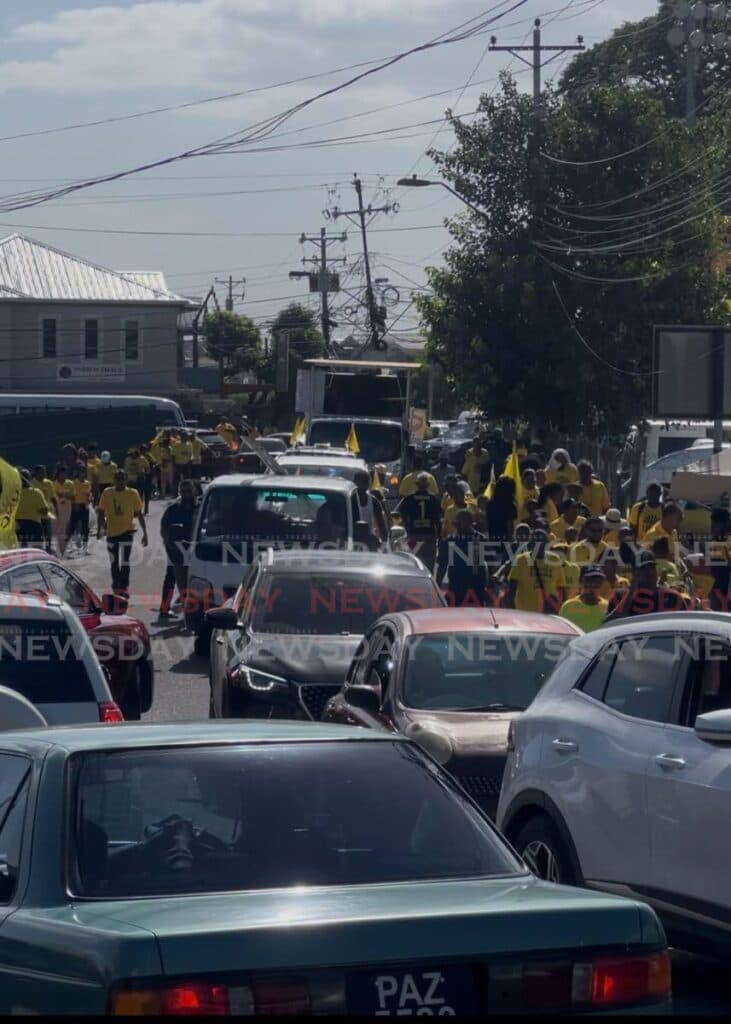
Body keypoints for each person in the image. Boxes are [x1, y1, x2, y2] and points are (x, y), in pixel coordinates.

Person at [97, 469, 148, 596]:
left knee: (125, 561)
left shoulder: (133, 493)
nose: (120, 481)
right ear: (114, 480)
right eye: (117, 479)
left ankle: (123, 586)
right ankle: (116, 583)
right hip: (111, 533)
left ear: (126, 480)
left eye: (122, 479)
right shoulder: (107, 493)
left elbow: (139, 514)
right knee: (114, 561)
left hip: (127, 532)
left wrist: (145, 533)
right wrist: (101, 528)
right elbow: (101, 511)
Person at [605, 551, 687, 620]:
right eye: (644, 568)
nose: (650, 572)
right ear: (634, 573)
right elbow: (612, 623)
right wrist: (631, 594)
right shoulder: (619, 596)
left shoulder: (672, 596)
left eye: (652, 567)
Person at [159, 479, 199, 619]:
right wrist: (168, 546)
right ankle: (164, 609)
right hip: (176, 551)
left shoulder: (201, 509)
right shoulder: (173, 509)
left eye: (189, 491)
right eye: (183, 492)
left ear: (195, 491)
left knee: (197, 580)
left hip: (198, 551)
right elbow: (164, 529)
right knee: (170, 578)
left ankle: (195, 610)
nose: (187, 494)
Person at [506, 527, 565, 614]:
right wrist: (511, 608)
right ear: (531, 542)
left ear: (547, 542)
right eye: (536, 540)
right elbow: (512, 586)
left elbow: (560, 587)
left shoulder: (555, 559)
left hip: (548, 610)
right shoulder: (521, 559)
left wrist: (560, 608)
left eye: (542, 540)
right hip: (525, 610)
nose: (539, 543)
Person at [436, 508, 487, 607]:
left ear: (471, 523)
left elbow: (488, 566)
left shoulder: (481, 540)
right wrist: (437, 585)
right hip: (456, 587)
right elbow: (442, 566)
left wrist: (488, 586)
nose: (459, 526)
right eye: (457, 523)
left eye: (463, 523)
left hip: (476, 588)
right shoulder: (449, 541)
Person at [396, 472, 441, 573]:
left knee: (413, 562)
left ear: (416, 484)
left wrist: (407, 525)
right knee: (429, 563)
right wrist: (438, 536)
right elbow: (438, 519)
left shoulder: (409, 499)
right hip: (429, 535)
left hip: (413, 534)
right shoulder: (434, 499)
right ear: (428, 485)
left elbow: (401, 513)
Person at [559, 566, 609, 632]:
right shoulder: (569, 606)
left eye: (597, 583)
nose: (592, 588)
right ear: (581, 583)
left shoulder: (607, 607)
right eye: (588, 583)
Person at [351, 469, 389, 545]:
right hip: (351, 539)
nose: (363, 484)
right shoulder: (350, 500)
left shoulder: (374, 501)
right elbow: (382, 526)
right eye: (361, 481)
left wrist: (384, 543)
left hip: (368, 541)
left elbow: (382, 525)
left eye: (365, 481)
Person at [15, 469, 49, 548]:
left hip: (17, 526)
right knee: (35, 550)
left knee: (20, 550)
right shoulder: (36, 492)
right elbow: (44, 511)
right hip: (33, 526)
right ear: (29, 479)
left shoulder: (14, 493)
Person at [66, 463, 92, 556]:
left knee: (85, 528)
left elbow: (89, 494)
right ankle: (66, 547)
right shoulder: (74, 483)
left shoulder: (87, 483)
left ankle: (85, 548)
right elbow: (72, 495)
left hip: (85, 506)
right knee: (72, 527)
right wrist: (74, 504)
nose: (82, 473)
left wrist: (89, 498)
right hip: (76, 506)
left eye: (83, 471)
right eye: (80, 471)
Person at [32, 465, 56, 554]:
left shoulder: (49, 483)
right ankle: (39, 551)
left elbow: (53, 497)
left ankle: (49, 550)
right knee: (38, 535)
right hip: (36, 514)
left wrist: (56, 510)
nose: (44, 474)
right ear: (36, 473)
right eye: (41, 472)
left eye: (44, 472)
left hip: (47, 513)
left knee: (48, 534)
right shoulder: (32, 483)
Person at [484, 475, 517, 541]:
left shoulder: (489, 504)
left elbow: (486, 523)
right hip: (504, 541)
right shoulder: (510, 506)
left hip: (491, 539)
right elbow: (510, 527)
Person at [52, 465, 74, 556]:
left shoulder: (70, 483)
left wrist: (64, 495)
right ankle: (60, 549)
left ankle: (62, 549)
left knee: (64, 528)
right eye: (61, 473)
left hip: (67, 508)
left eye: (65, 473)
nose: (63, 475)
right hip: (57, 508)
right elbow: (53, 497)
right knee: (58, 529)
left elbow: (73, 497)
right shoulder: (54, 484)